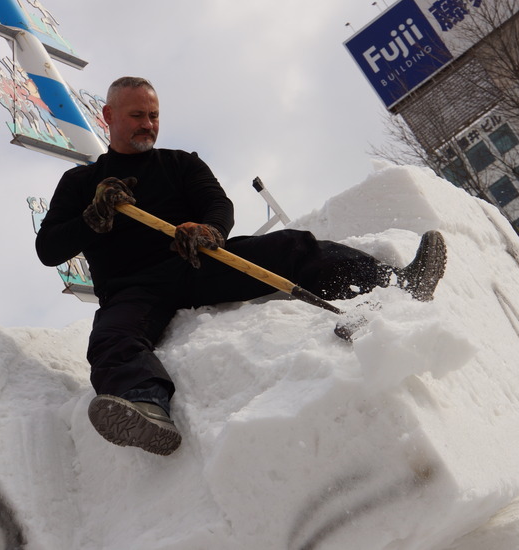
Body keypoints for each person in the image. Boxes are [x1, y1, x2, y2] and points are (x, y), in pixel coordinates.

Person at [35, 77, 446, 456]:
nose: (148, 124)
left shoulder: (180, 164)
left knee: (294, 246)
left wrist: (210, 230)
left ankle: (395, 286)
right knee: (112, 336)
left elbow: (218, 205)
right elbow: (49, 248)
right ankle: (146, 405)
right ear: (108, 116)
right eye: (137, 115)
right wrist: (93, 217)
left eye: (154, 115)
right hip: (132, 289)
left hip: (198, 261)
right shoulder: (79, 184)